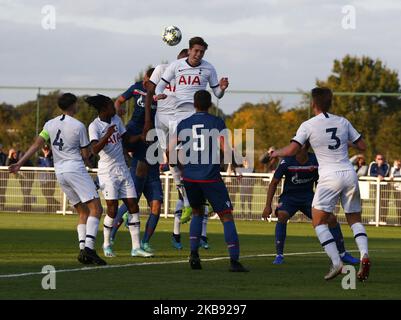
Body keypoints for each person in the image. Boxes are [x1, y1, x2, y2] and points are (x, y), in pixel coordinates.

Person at [270, 87, 370, 281]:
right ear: (330, 103)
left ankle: (336, 262)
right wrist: (346, 142)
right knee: (354, 219)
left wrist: (275, 153)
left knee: (318, 221)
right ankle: (364, 254)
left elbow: (292, 150)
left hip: (329, 176)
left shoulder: (308, 125)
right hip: (349, 173)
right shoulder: (342, 121)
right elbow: (362, 146)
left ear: (313, 104)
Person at [9, 93, 106, 265]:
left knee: (82, 212)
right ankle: (89, 249)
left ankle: (83, 249)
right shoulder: (78, 126)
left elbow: (36, 145)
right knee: (96, 209)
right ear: (73, 105)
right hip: (75, 168)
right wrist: (91, 156)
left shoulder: (49, 124)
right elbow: (85, 154)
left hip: (60, 171)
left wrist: (19, 163)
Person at [154, 36, 229, 224]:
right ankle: (188, 200)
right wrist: (158, 94)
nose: (198, 54)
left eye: (202, 52)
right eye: (196, 51)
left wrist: (222, 88)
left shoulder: (209, 68)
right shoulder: (176, 65)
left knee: (202, 156)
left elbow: (217, 93)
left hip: (198, 113)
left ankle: (205, 198)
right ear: (189, 50)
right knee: (173, 158)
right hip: (178, 115)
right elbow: (160, 85)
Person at [175, 90, 248, 272]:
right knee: (226, 216)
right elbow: (225, 148)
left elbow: (173, 151)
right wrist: (237, 165)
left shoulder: (183, 124)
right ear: (210, 105)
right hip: (210, 177)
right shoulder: (216, 122)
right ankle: (234, 261)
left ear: (194, 103)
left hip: (190, 177)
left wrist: (183, 169)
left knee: (197, 213)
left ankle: (193, 254)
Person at [143, 49, 206, 249]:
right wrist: (147, 115)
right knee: (172, 160)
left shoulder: (190, 79)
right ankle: (189, 199)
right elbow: (150, 90)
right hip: (161, 121)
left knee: (178, 160)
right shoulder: (164, 69)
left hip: (176, 121)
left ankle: (189, 200)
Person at [262, 142, 359, 265]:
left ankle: (343, 253)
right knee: (282, 215)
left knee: (331, 219)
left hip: (309, 198)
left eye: (298, 144)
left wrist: (326, 200)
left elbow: (322, 181)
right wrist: (267, 206)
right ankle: (279, 255)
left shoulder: (315, 160)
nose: (294, 147)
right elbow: (274, 183)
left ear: (305, 147)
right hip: (289, 198)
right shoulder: (286, 161)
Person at [87, 94, 152, 258]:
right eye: (110, 105)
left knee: (133, 206)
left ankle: (136, 248)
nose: (113, 108)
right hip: (107, 172)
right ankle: (107, 244)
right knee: (112, 209)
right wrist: (107, 135)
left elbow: (127, 140)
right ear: (103, 109)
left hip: (122, 169)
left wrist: (140, 137)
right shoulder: (94, 126)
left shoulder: (116, 119)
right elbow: (94, 150)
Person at [111, 68, 164, 254]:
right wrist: (117, 114)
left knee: (157, 204)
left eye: (150, 80)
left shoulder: (161, 93)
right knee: (131, 199)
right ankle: (110, 236)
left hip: (153, 141)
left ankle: (145, 242)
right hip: (135, 130)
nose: (146, 81)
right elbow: (119, 100)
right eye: (147, 79)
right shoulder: (136, 88)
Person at [368, 154, 390, 223]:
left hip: (384, 187)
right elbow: (370, 173)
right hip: (375, 186)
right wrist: (377, 175)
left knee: (384, 203)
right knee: (375, 202)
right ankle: (375, 219)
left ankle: (383, 219)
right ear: (375, 159)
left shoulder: (387, 165)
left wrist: (380, 166)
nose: (380, 160)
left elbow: (384, 174)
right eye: (378, 159)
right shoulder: (372, 164)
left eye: (382, 159)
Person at [37, 145, 60, 212]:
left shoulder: (52, 158)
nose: (46, 151)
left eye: (47, 149)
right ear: (42, 149)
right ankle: (56, 204)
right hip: (42, 180)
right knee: (46, 195)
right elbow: (38, 166)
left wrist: (46, 157)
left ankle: (48, 210)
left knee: (49, 195)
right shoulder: (39, 158)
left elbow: (49, 166)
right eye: (45, 149)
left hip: (51, 180)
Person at [389, 159, 401, 224]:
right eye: (396, 164)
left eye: (399, 164)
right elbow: (390, 176)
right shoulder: (392, 169)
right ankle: (399, 220)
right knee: (398, 205)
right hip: (395, 189)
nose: (397, 165)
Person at [0, 144, 7, 211]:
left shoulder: (4, 156)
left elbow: (4, 164)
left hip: (2, 175)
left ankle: (1, 205)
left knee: (2, 191)